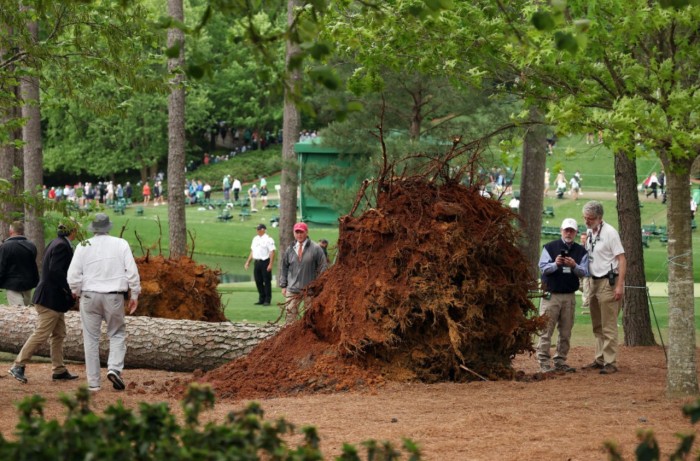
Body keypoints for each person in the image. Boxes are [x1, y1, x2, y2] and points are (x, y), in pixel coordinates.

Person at [67, 213, 141, 392]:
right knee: (116, 333)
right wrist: (135, 294)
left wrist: (75, 290)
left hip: (89, 296)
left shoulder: (83, 246)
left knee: (90, 338)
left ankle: (93, 383)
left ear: (93, 229)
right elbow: (132, 271)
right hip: (114, 296)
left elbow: (73, 274)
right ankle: (114, 368)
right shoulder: (120, 244)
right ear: (108, 227)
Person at [8, 224, 79, 384]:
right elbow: (56, 271)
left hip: (53, 299)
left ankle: (59, 370)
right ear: (73, 231)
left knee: (59, 334)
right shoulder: (61, 246)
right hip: (50, 299)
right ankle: (18, 365)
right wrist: (69, 290)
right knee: (41, 334)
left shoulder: (57, 242)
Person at [536, 218, 589, 373]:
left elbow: (585, 272)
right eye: (566, 230)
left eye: (571, 231)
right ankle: (543, 361)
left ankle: (560, 360)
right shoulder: (550, 247)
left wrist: (574, 266)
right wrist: (556, 264)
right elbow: (543, 268)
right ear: (561, 231)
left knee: (566, 331)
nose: (568, 233)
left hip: (569, 296)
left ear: (576, 233)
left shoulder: (581, 251)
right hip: (551, 295)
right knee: (546, 330)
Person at [581, 201, 626, 375]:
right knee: (597, 324)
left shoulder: (610, 233)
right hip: (593, 280)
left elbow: (622, 259)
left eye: (590, 218)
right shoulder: (589, 232)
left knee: (608, 324)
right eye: (585, 218)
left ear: (599, 218)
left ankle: (610, 361)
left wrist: (619, 285)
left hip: (609, 281)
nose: (586, 221)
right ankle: (599, 358)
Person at [279, 222, 328, 324]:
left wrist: (318, 284)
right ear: (294, 233)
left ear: (306, 232)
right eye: (297, 232)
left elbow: (323, 266)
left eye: (301, 232)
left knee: (311, 317)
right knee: (290, 317)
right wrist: (283, 285)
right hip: (292, 289)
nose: (299, 235)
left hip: (310, 290)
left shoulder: (316, 248)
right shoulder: (290, 249)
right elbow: (284, 267)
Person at [0, 221, 39, 306]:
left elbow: (1, 267)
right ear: (22, 231)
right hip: (28, 283)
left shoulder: (5, 247)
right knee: (27, 309)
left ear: (11, 231)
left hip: (12, 284)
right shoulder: (31, 246)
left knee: (18, 311)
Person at [244, 224, 276, 306]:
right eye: (257, 229)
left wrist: (270, 264)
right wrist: (248, 262)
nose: (257, 231)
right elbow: (252, 251)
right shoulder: (255, 239)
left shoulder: (268, 239)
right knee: (258, 281)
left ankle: (267, 300)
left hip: (265, 262)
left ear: (264, 230)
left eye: (259, 229)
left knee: (267, 281)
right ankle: (261, 299)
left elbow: (272, 252)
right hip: (257, 262)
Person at [579, 232, 592, 316]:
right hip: (579, 271)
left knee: (586, 287)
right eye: (582, 238)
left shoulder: (589, 248)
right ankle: (589, 297)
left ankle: (586, 303)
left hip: (587, 272)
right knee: (579, 286)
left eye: (584, 238)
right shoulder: (578, 248)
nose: (583, 240)